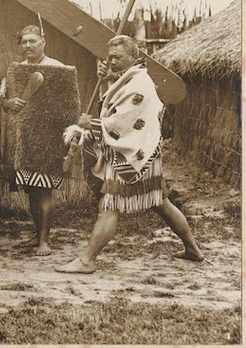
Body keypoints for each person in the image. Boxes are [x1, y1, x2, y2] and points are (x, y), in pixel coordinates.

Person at [56, 35, 204, 273]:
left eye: (117, 57)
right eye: (110, 56)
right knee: (160, 202)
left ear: (134, 57)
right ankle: (193, 249)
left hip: (132, 155)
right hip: (143, 154)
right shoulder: (129, 79)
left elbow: (122, 121)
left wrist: (91, 123)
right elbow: (114, 105)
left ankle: (87, 260)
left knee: (109, 204)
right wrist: (104, 80)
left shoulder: (140, 84)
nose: (112, 61)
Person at [0, 24, 79, 256]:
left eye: (32, 41)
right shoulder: (15, 71)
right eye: (24, 42)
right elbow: (4, 99)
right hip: (24, 141)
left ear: (43, 42)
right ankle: (37, 234)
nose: (27, 46)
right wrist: (9, 103)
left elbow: (71, 107)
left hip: (50, 138)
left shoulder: (59, 69)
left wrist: (67, 135)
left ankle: (45, 240)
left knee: (44, 189)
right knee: (32, 189)